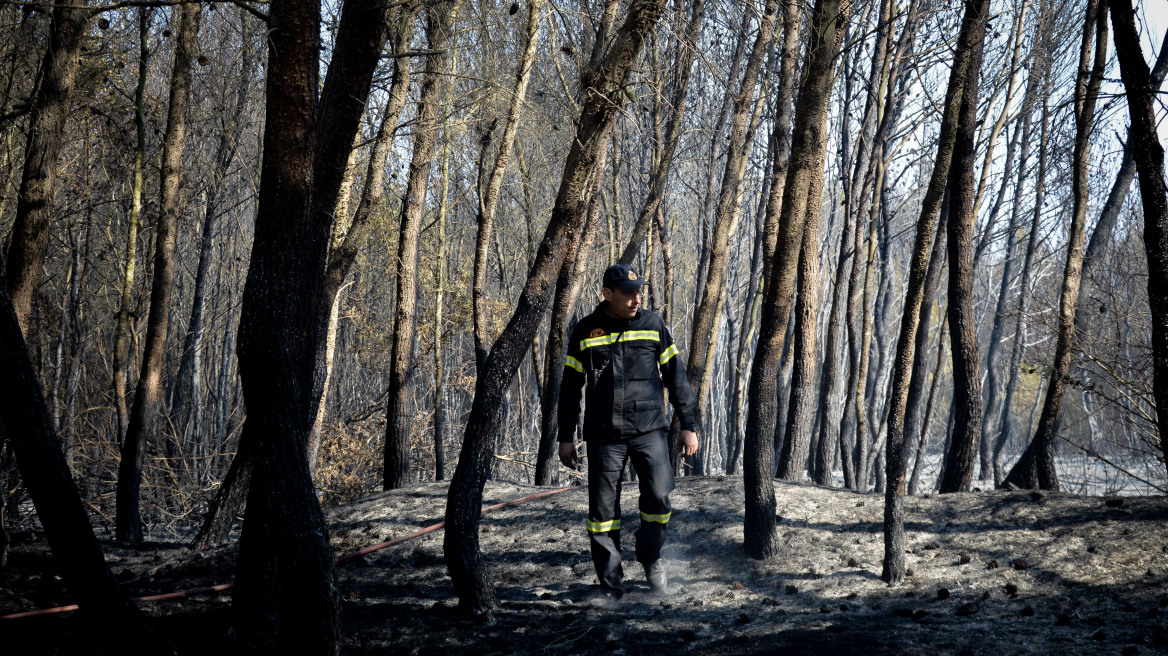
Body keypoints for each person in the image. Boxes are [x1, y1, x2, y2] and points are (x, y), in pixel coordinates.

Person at [557, 263, 699, 609]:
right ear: (608, 294)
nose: (637, 298)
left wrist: (688, 424)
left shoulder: (653, 326)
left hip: (649, 429)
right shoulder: (586, 331)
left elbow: (676, 378)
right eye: (629, 292)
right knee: (603, 512)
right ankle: (611, 586)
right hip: (604, 434)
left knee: (659, 498)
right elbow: (570, 387)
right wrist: (565, 435)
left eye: (639, 291)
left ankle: (651, 559)